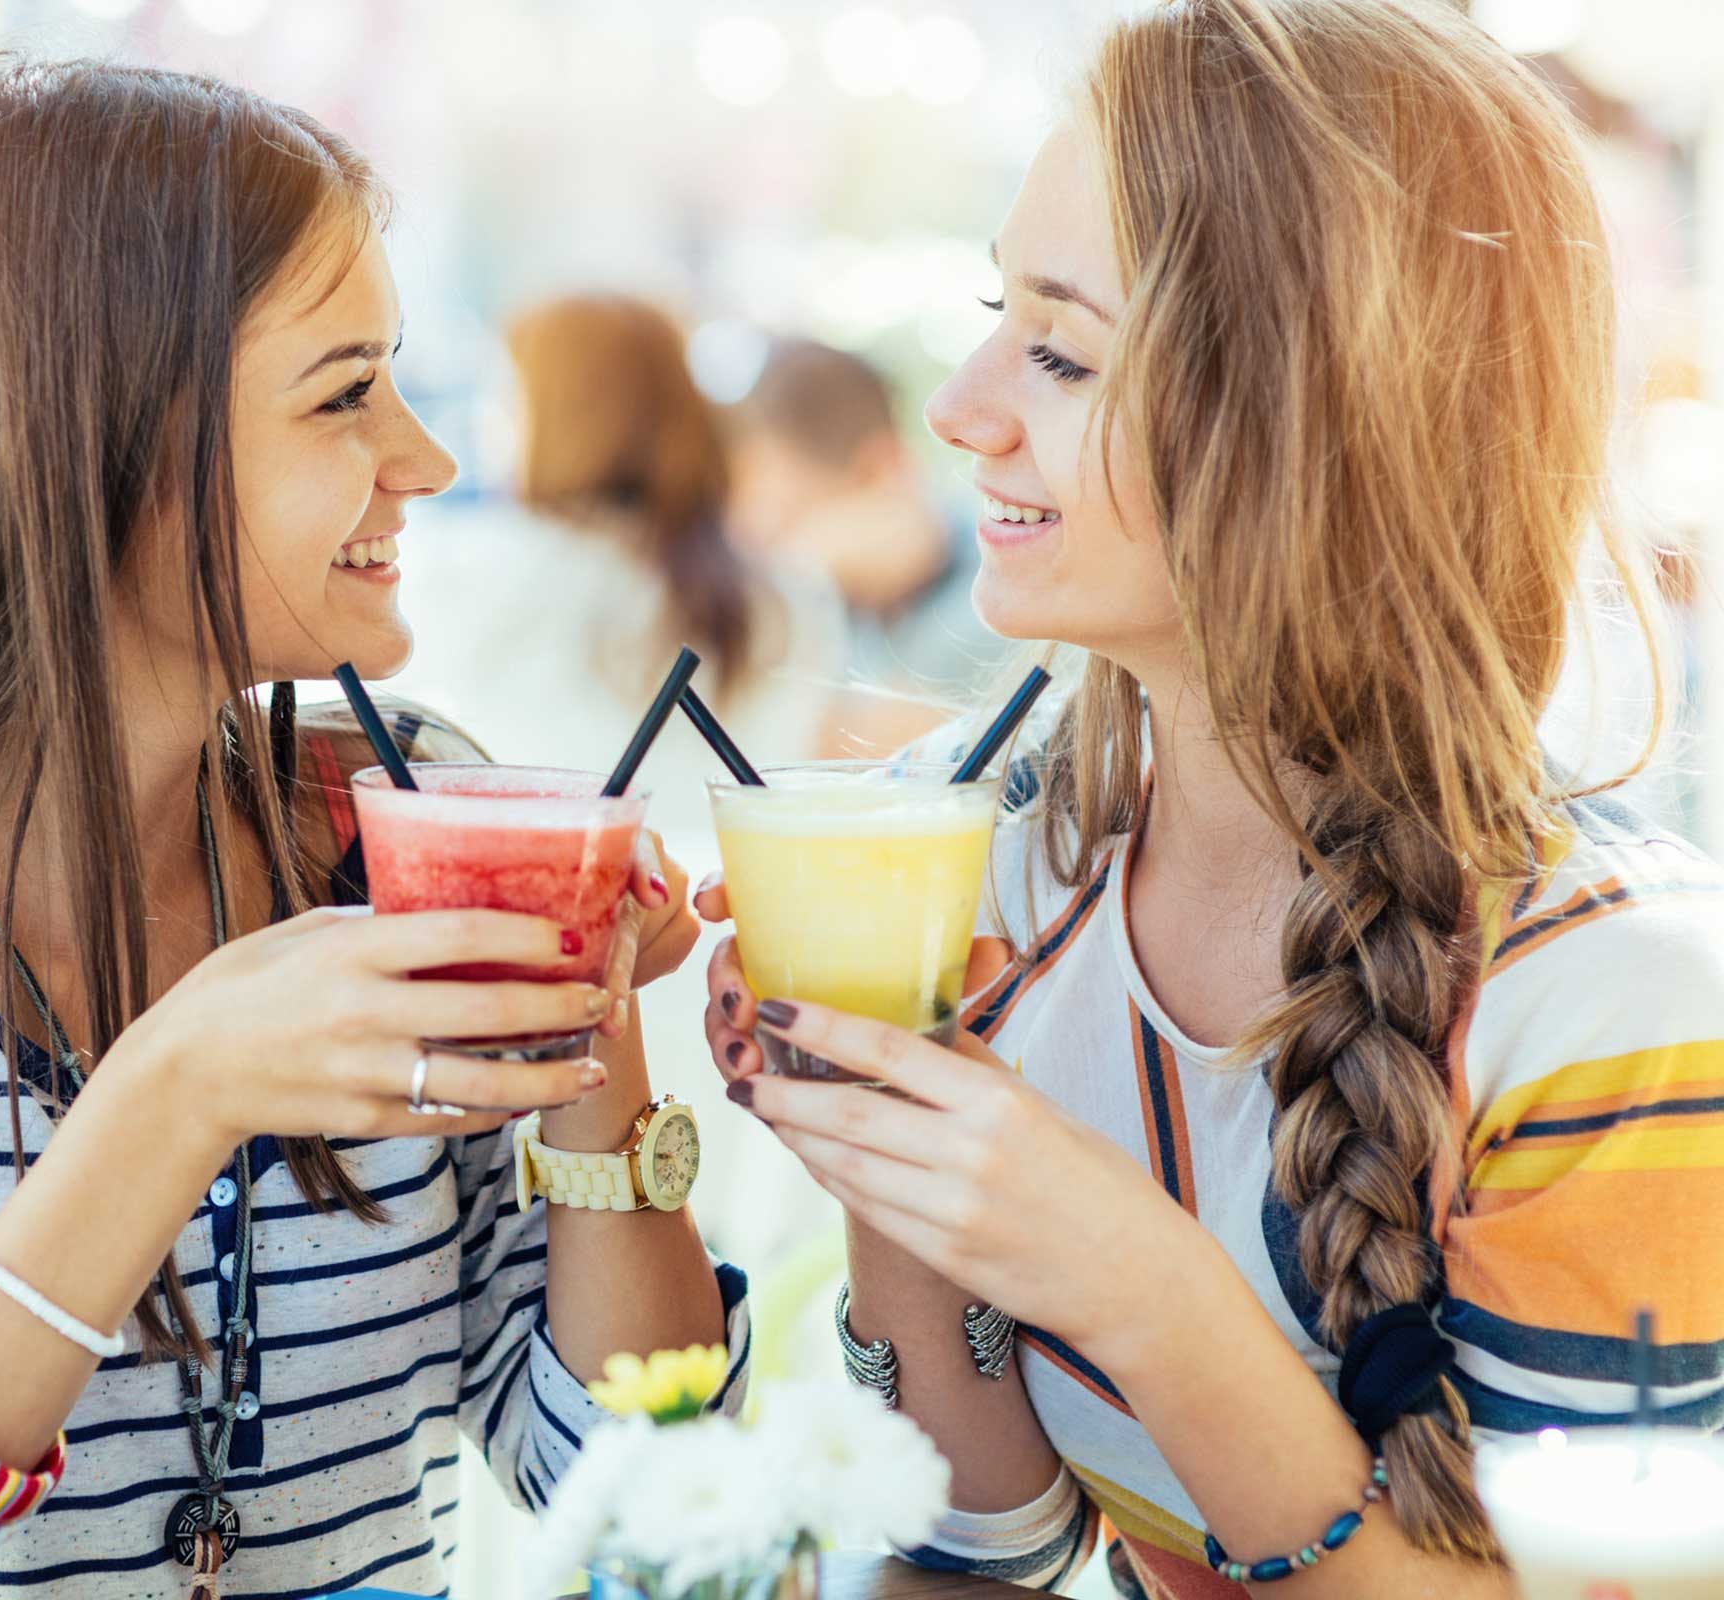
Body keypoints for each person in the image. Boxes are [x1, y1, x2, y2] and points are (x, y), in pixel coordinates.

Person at [0, 60, 745, 1600]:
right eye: (345, 392)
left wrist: (587, 1041)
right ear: (91, 433)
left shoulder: (405, 817)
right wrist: (178, 1086)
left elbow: (641, 1489)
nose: (428, 461)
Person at [699, 2, 1724, 1595]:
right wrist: (888, 1143)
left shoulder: (1615, 1005)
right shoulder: (991, 864)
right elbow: (983, 1545)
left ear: (1309, 427)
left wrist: (1132, 1280)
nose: (962, 406)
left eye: (1059, 348)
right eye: (994, 315)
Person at [397, 293, 845, 859]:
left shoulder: (471, 569)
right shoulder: (790, 589)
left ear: (553, 415)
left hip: (551, 913)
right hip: (738, 914)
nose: (490, 419)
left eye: (507, 396)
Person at [726, 337, 1002, 756]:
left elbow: (807, 755)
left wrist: (800, 576)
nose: (749, 538)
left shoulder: (999, 602)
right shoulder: (845, 607)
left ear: (879, 469)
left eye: (784, 515)